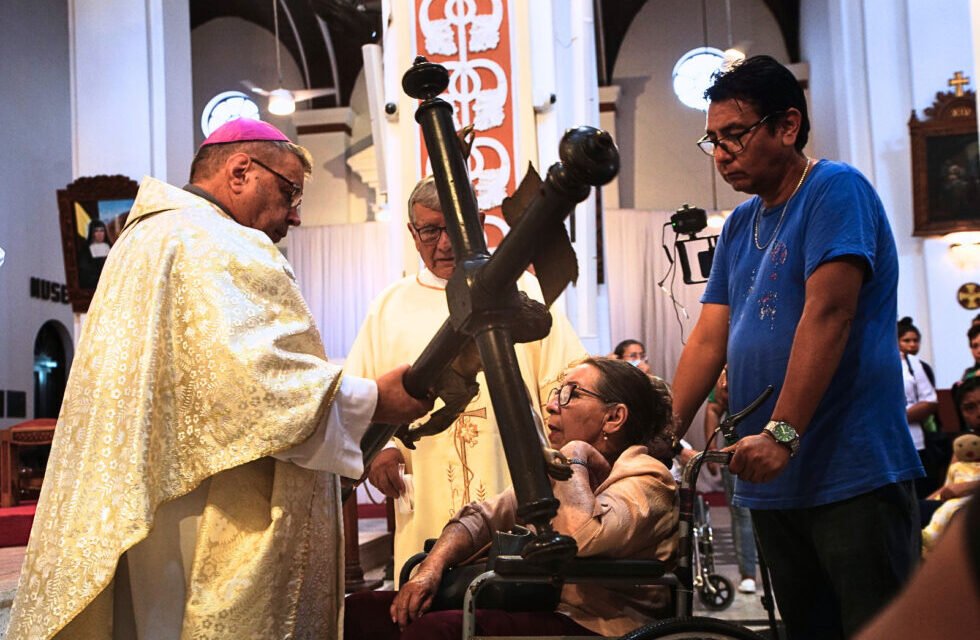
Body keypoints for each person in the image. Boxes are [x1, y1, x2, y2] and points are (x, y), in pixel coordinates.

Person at [6, 118, 431, 640]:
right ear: (240, 170)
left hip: (149, 499)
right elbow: (259, 388)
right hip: (210, 508)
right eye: (290, 190)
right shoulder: (219, 244)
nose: (295, 215)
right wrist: (375, 400)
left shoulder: (144, 240)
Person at [669, 55, 923, 639]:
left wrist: (783, 430)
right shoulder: (739, 225)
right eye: (713, 140)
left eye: (735, 134)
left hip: (851, 472)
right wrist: (662, 436)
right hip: (775, 481)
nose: (722, 152)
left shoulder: (835, 190)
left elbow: (830, 313)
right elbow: (710, 338)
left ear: (787, 126)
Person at [345, 175, 586, 574]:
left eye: (454, 229)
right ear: (412, 231)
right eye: (429, 230)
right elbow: (363, 393)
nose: (444, 243)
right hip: (425, 484)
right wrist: (383, 450)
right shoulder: (388, 306)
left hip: (514, 477)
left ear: (475, 222)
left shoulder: (520, 290)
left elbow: (566, 380)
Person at [344, 357, 679, 639]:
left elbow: (582, 535)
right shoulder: (558, 470)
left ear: (614, 417)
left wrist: (576, 453)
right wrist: (430, 570)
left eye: (571, 394)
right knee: (361, 613)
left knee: (436, 632)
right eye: (557, 392)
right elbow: (479, 519)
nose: (551, 404)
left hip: (597, 624)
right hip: (539, 603)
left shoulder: (647, 476)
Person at [703, 367, 758, 594]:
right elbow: (714, 408)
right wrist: (712, 448)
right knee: (741, 510)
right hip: (735, 444)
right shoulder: (727, 372)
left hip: (774, 442)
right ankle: (748, 573)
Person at [898, 318, 941, 497]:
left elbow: (930, 401)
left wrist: (896, 418)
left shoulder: (914, 364)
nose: (912, 344)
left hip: (916, 439)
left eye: (915, 340)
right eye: (907, 340)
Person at [78, 218, 112, 288]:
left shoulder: (112, 248)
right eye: (96, 231)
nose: (99, 234)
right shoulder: (85, 251)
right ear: (92, 233)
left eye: (102, 231)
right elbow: (85, 272)